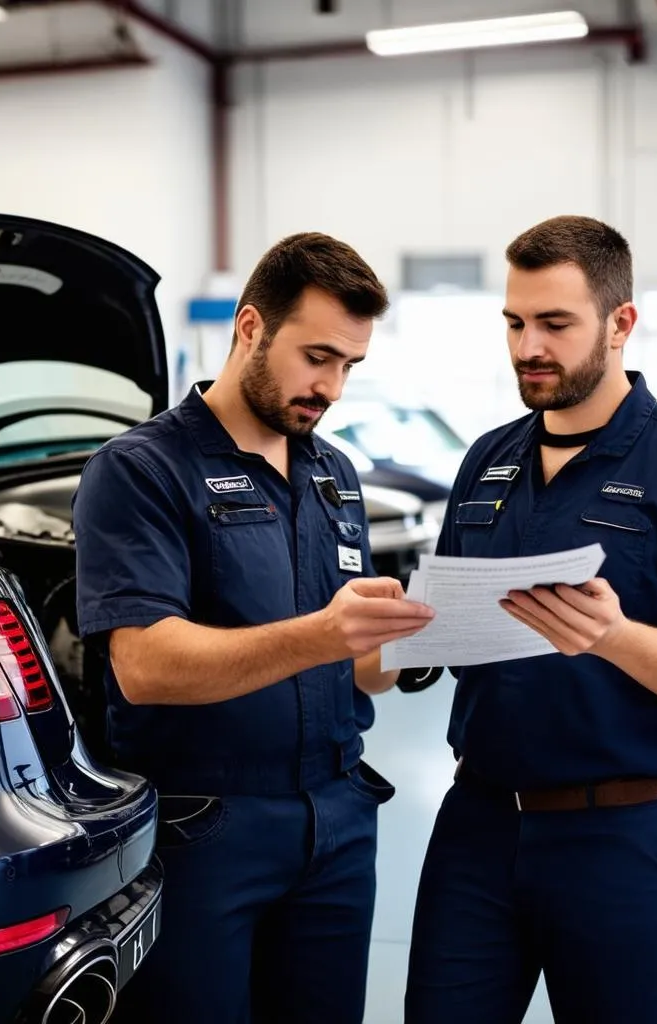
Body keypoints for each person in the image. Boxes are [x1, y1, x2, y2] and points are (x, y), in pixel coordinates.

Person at [403, 214, 657, 1024]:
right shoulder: (487, 460)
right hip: (475, 828)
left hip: (621, 836)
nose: (527, 347)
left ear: (621, 324)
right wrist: (400, 630)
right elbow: (443, 622)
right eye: (514, 322)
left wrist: (615, 638)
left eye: (554, 324)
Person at [71, 231, 434, 1024]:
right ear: (249, 328)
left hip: (336, 818)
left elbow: (359, 665)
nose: (332, 386)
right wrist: (326, 634)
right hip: (205, 826)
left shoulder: (333, 473)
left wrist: (422, 642)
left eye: (349, 366)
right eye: (317, 357)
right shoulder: (140, 470)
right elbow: (147, 665)